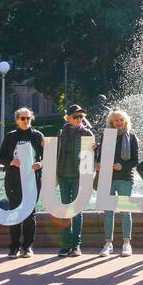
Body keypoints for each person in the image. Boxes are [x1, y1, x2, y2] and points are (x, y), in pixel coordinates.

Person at [0, 107, 44, 258]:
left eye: (28, 118)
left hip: (32, 179)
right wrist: (12, 162)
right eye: (22, 118)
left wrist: (40, 164)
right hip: (14, 180)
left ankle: (28, 246)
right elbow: (1, 158)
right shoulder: (11, 137)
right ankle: (14, 247)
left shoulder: (38, 136)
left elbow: (47, 157)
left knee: (30, 213)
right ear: (17, 120)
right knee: (15, 212)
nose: (25, 121)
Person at [55, 104, 96, 257]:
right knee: (66, 210)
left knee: (77, 211)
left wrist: (95, 149)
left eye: (81, 117)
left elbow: (92, 158)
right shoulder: (61, 133)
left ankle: (76, 245)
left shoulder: (87, 133)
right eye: (76, 117)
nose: (79, 119)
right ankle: (66, 244)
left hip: (79, 176)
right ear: (68, 118)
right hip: (63, 175)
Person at [97, 109, 139, 257]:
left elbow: (135, 160)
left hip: (125, 177)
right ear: (111, 122)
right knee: (108, 211)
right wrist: (98, 163)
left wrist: (122, 166)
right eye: (116, 120)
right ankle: (108, 243)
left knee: (125, 210)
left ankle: (127, 242)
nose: (119, 122)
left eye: (121, 120)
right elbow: (100, 155)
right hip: (107, 177)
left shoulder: (131, 136)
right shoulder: (107, 136)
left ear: (125, 121)